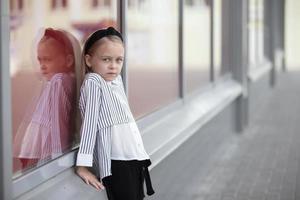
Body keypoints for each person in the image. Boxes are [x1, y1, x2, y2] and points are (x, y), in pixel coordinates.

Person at [75, 27, 155, 200]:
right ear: (89, 60)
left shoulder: (116, 81)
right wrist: (83, 166)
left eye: (119, 60)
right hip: (116, 163)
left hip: (134, 158)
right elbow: (89, 125)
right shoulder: (94, 82)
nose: (113, 66)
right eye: (106, 59)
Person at [13, 28, 81, 169]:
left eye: (48, 59)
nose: (42, 66)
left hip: (51, 154)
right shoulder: (67, 81)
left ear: (68, 60)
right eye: (40, 60)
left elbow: (58, 126)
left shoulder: (58, 81)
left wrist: (59, 159)